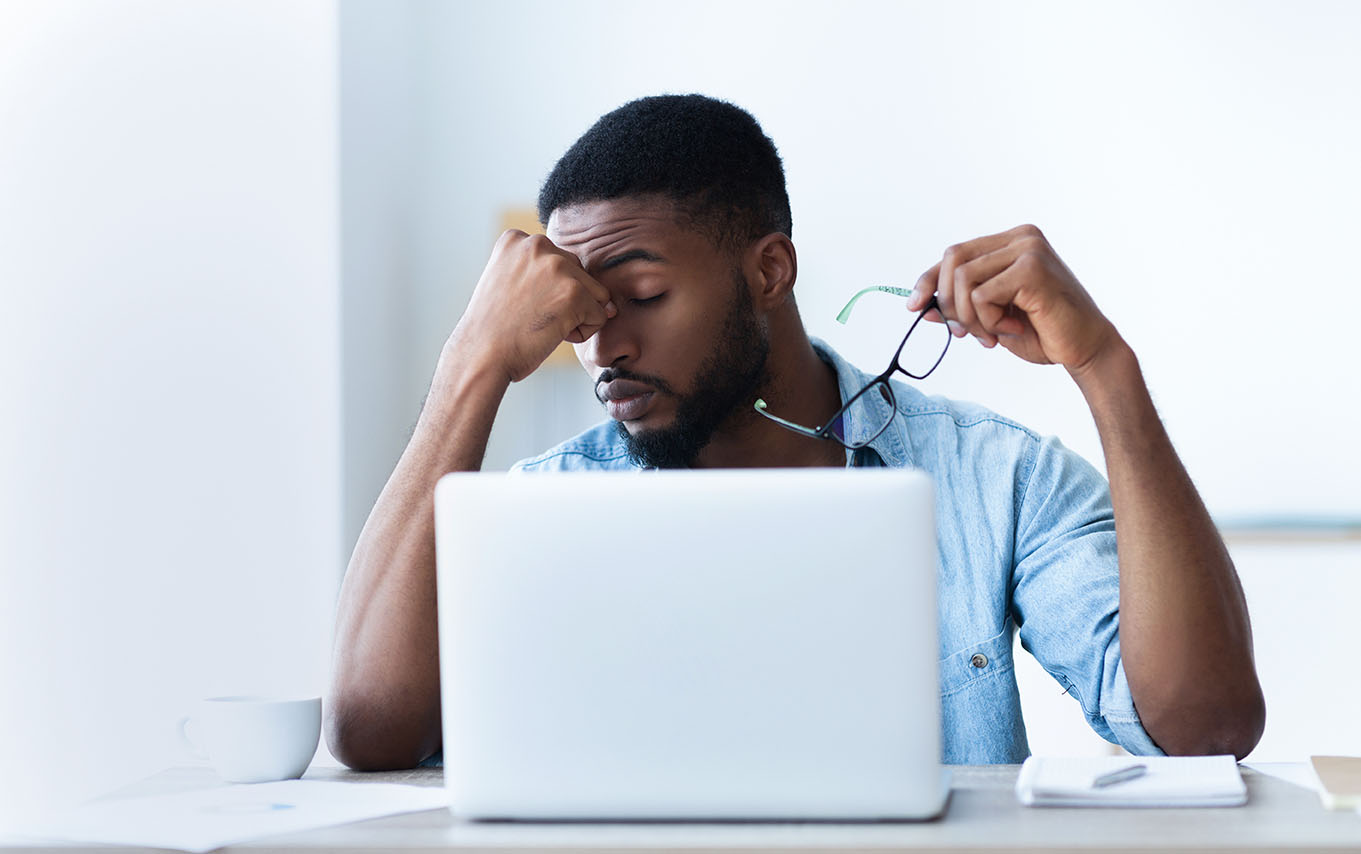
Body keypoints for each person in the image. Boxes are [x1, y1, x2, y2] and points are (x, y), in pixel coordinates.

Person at [325, 94, 1265, 770]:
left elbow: (1204, 727)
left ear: (769, 271)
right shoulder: (547, 506)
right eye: (578, 316)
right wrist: (468, 369)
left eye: (641, 296)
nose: (602, 344)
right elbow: (371, 734)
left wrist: (1105, 367)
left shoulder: (993, 478)